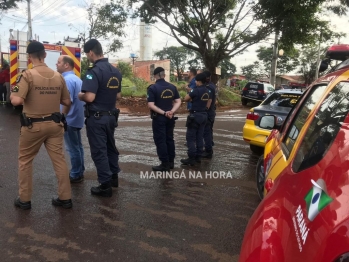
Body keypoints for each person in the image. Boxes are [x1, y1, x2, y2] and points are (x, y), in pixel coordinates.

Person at [10, 41, 73, 210]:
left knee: (25, 161)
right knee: (59, 161)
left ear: (29, 57)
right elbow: (67, 101)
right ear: (44, 55)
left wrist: (13, 91)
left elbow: (17, 100)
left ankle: (24, 200)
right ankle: (65, 198)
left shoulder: (27, 75)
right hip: (55, 125)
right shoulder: (58, 76)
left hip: (33, 126)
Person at [78, 39, 121, 198]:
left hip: (97, 118)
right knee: (110, 147)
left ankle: (105, 185)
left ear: (90, 53)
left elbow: (89, 97)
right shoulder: (115, 71)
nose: (87, 57)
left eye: (86, 54)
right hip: (111, 117)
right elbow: (118, 95)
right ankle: (114, 177)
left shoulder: (93, 72)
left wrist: (80, 95)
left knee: (99, 151)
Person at [56, 55, 85, 183]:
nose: (56, 64)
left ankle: (75, 173)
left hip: (70, 119)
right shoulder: (77, 79)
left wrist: (62, 117)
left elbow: (68, 102)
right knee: (78, 147)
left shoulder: (66, 81)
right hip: (77, 118)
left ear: (66, 65)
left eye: (59, 62)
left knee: (72, 148)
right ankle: (79, 170)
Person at [147, 67, 181, 171]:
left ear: (155, 76)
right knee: (169, 139)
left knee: (160, 140)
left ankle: (164, 163)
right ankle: (171, 162)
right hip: (170, 118)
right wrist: (171, 111)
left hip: (160, 118)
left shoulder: (152, 88)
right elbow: (178, 101)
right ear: (164, 75)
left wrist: (164, 113)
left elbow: (151, 105)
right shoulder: (172, 87)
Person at [181, 73, 211, 166]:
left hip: (195, 116)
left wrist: (190, 96)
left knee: (190, 138)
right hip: (204, 115)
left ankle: (191, 157)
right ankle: (198, 157)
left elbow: (186, 99)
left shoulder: (196, 90)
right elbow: (209, 100)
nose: (196, 82)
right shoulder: (207, 90)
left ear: (198, 81)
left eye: (196, 81)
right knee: (199, 137)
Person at [202, 71, 217, 158]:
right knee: (209, 130)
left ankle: (208, 150)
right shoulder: (212, 85)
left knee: (206, 131)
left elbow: (209, 100)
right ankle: (209, 144)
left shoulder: (208, 87)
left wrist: (205, 109)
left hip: (208, 112)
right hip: (211, 112)